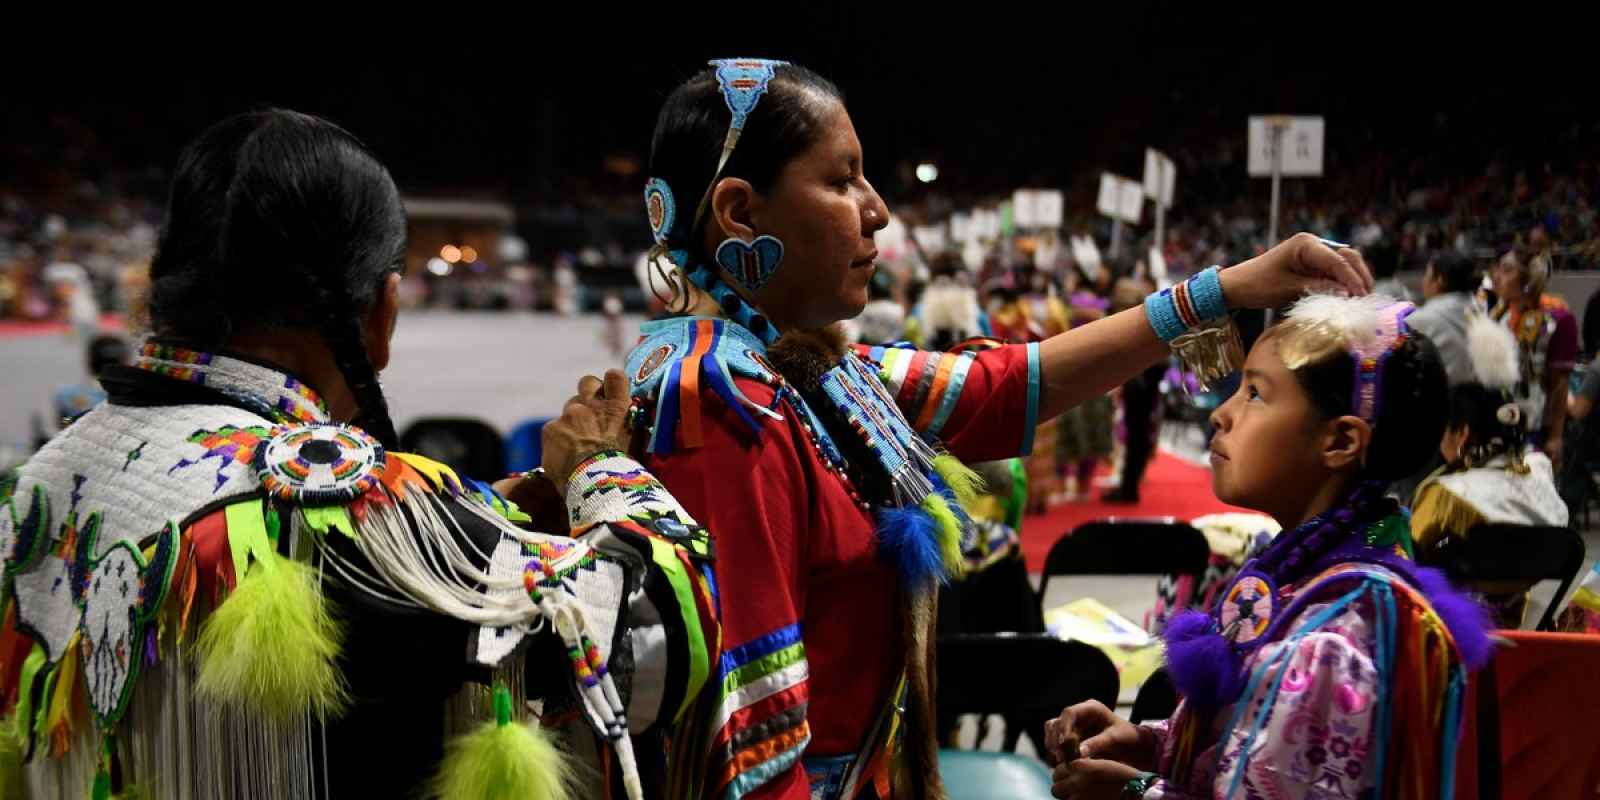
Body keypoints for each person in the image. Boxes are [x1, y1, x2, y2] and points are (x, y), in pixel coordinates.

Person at [618, 58, 1372, 799]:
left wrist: (1227, 288)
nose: (877, 209)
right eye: (842, 179)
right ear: (741, 212)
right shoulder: (722, 406)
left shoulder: (804, 368)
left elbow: (1007, 385)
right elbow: (750, 754)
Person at [0, 109, 715, 800]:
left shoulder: (36, 484)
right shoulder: (321, 502)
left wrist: (493, 505)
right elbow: (656, 634)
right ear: (381, 312)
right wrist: (598, 466)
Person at [1044, 295, 1490, 799]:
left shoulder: (1333, 641)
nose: (1222, 415)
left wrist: (1133, 792)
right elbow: (1256, 746)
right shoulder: (1309, 577)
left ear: (1340, 441)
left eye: (1255, 393)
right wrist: (1147, 744)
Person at [1412, 312, 1569, 627]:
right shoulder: (1540, 471)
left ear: (1463, 434)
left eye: (1446, 429)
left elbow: (1413, 549)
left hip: (1453, 628)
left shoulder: (1449, 493)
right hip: (1528, 620)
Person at [1489, 244, 1578, 465]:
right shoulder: (1496, 315)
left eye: (1507, 270)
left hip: (1536, 429)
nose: (1497, 276)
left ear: (1529, 279)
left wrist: (1555, 437)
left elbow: (1560, 383)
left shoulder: (1557, 320)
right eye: (1498, 268)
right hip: (1495, 425)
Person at [1406, 250, 1483, 386]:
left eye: (1427, 274)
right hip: (1478, 402)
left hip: (1440, 402)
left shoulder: (1421, 320)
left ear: (1439, 280)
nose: (1424, 281)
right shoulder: (1482, 312)